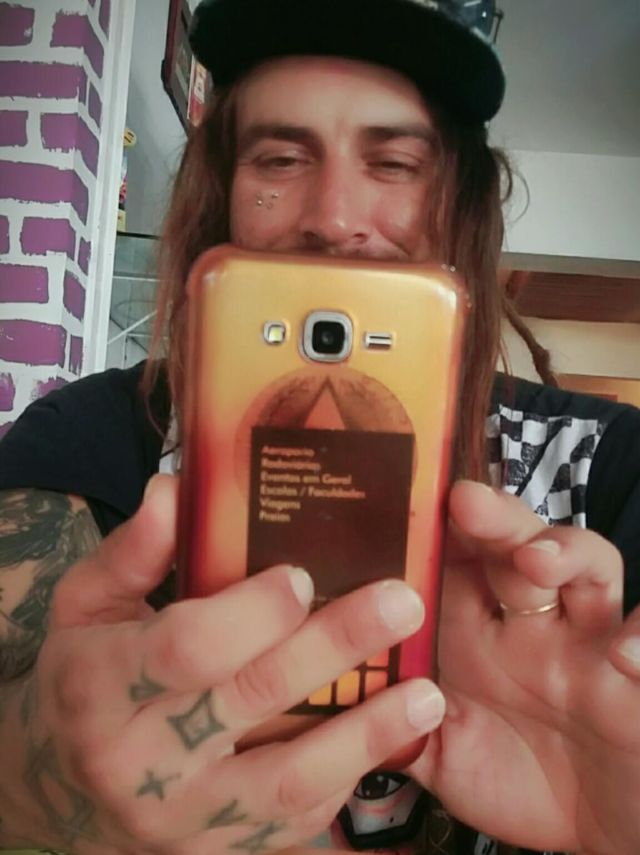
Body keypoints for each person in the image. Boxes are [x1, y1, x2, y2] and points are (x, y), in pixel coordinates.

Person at [1, 1, 640, 853]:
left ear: (461, 203)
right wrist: (30, 780)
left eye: (395, 163)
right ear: (221, 195)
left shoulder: (608, 470)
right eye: (280, 157)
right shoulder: (93, 440)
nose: (334, 216)